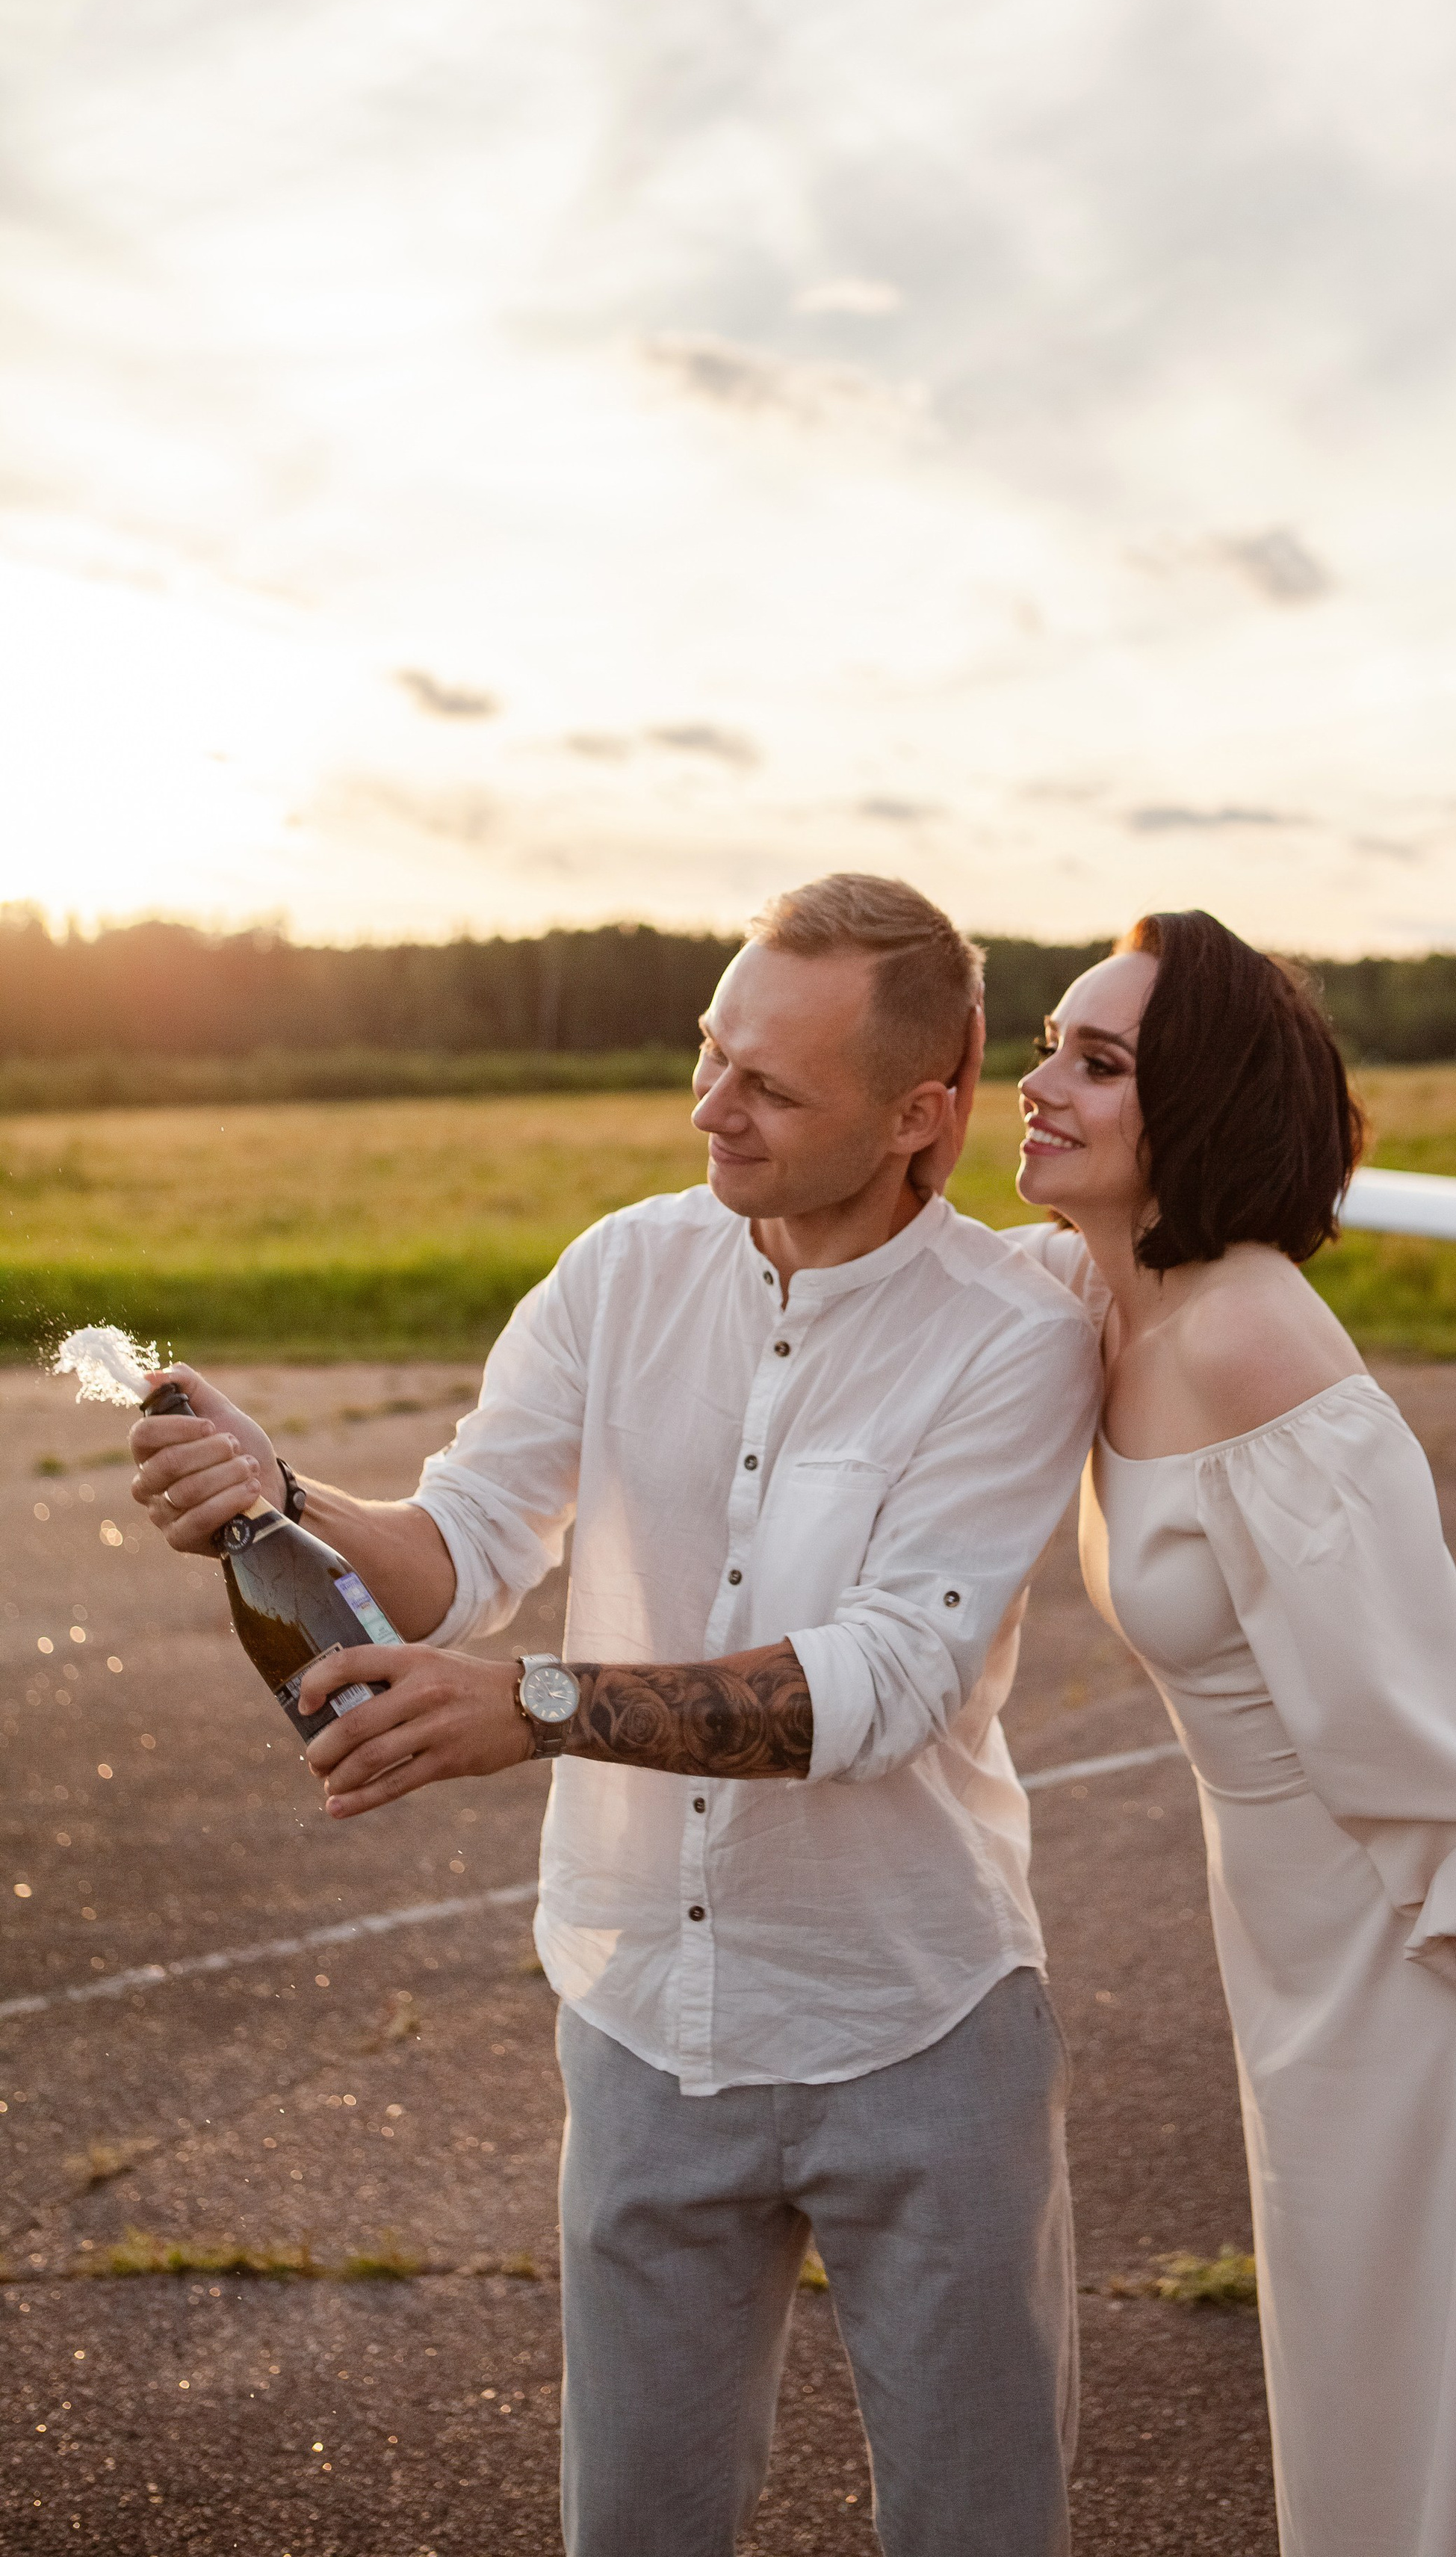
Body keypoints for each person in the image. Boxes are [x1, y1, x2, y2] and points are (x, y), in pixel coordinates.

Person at [130, 874, 1101, 2557]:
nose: (711, 1107)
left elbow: (881, 1683)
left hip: (920, 2024)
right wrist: (277, 1490)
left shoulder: (1013, 1337)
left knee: (980, 2531)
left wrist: (543, 1710)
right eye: (709, 1052)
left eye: (770, 1087)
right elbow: (457, 1551)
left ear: (918, 1115)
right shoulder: (619, 1271)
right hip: (643, 2014)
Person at [1001, 909, 1456, 2557]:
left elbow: (1450, 1758)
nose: (1035, 1083)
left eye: (1096, 1061)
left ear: (1194, 1112)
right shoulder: (1099, 1292)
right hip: (1308, 1980)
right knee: (1387, 2448)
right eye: (1047, 1043)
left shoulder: (1248, 1345)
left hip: (1438, 1996)